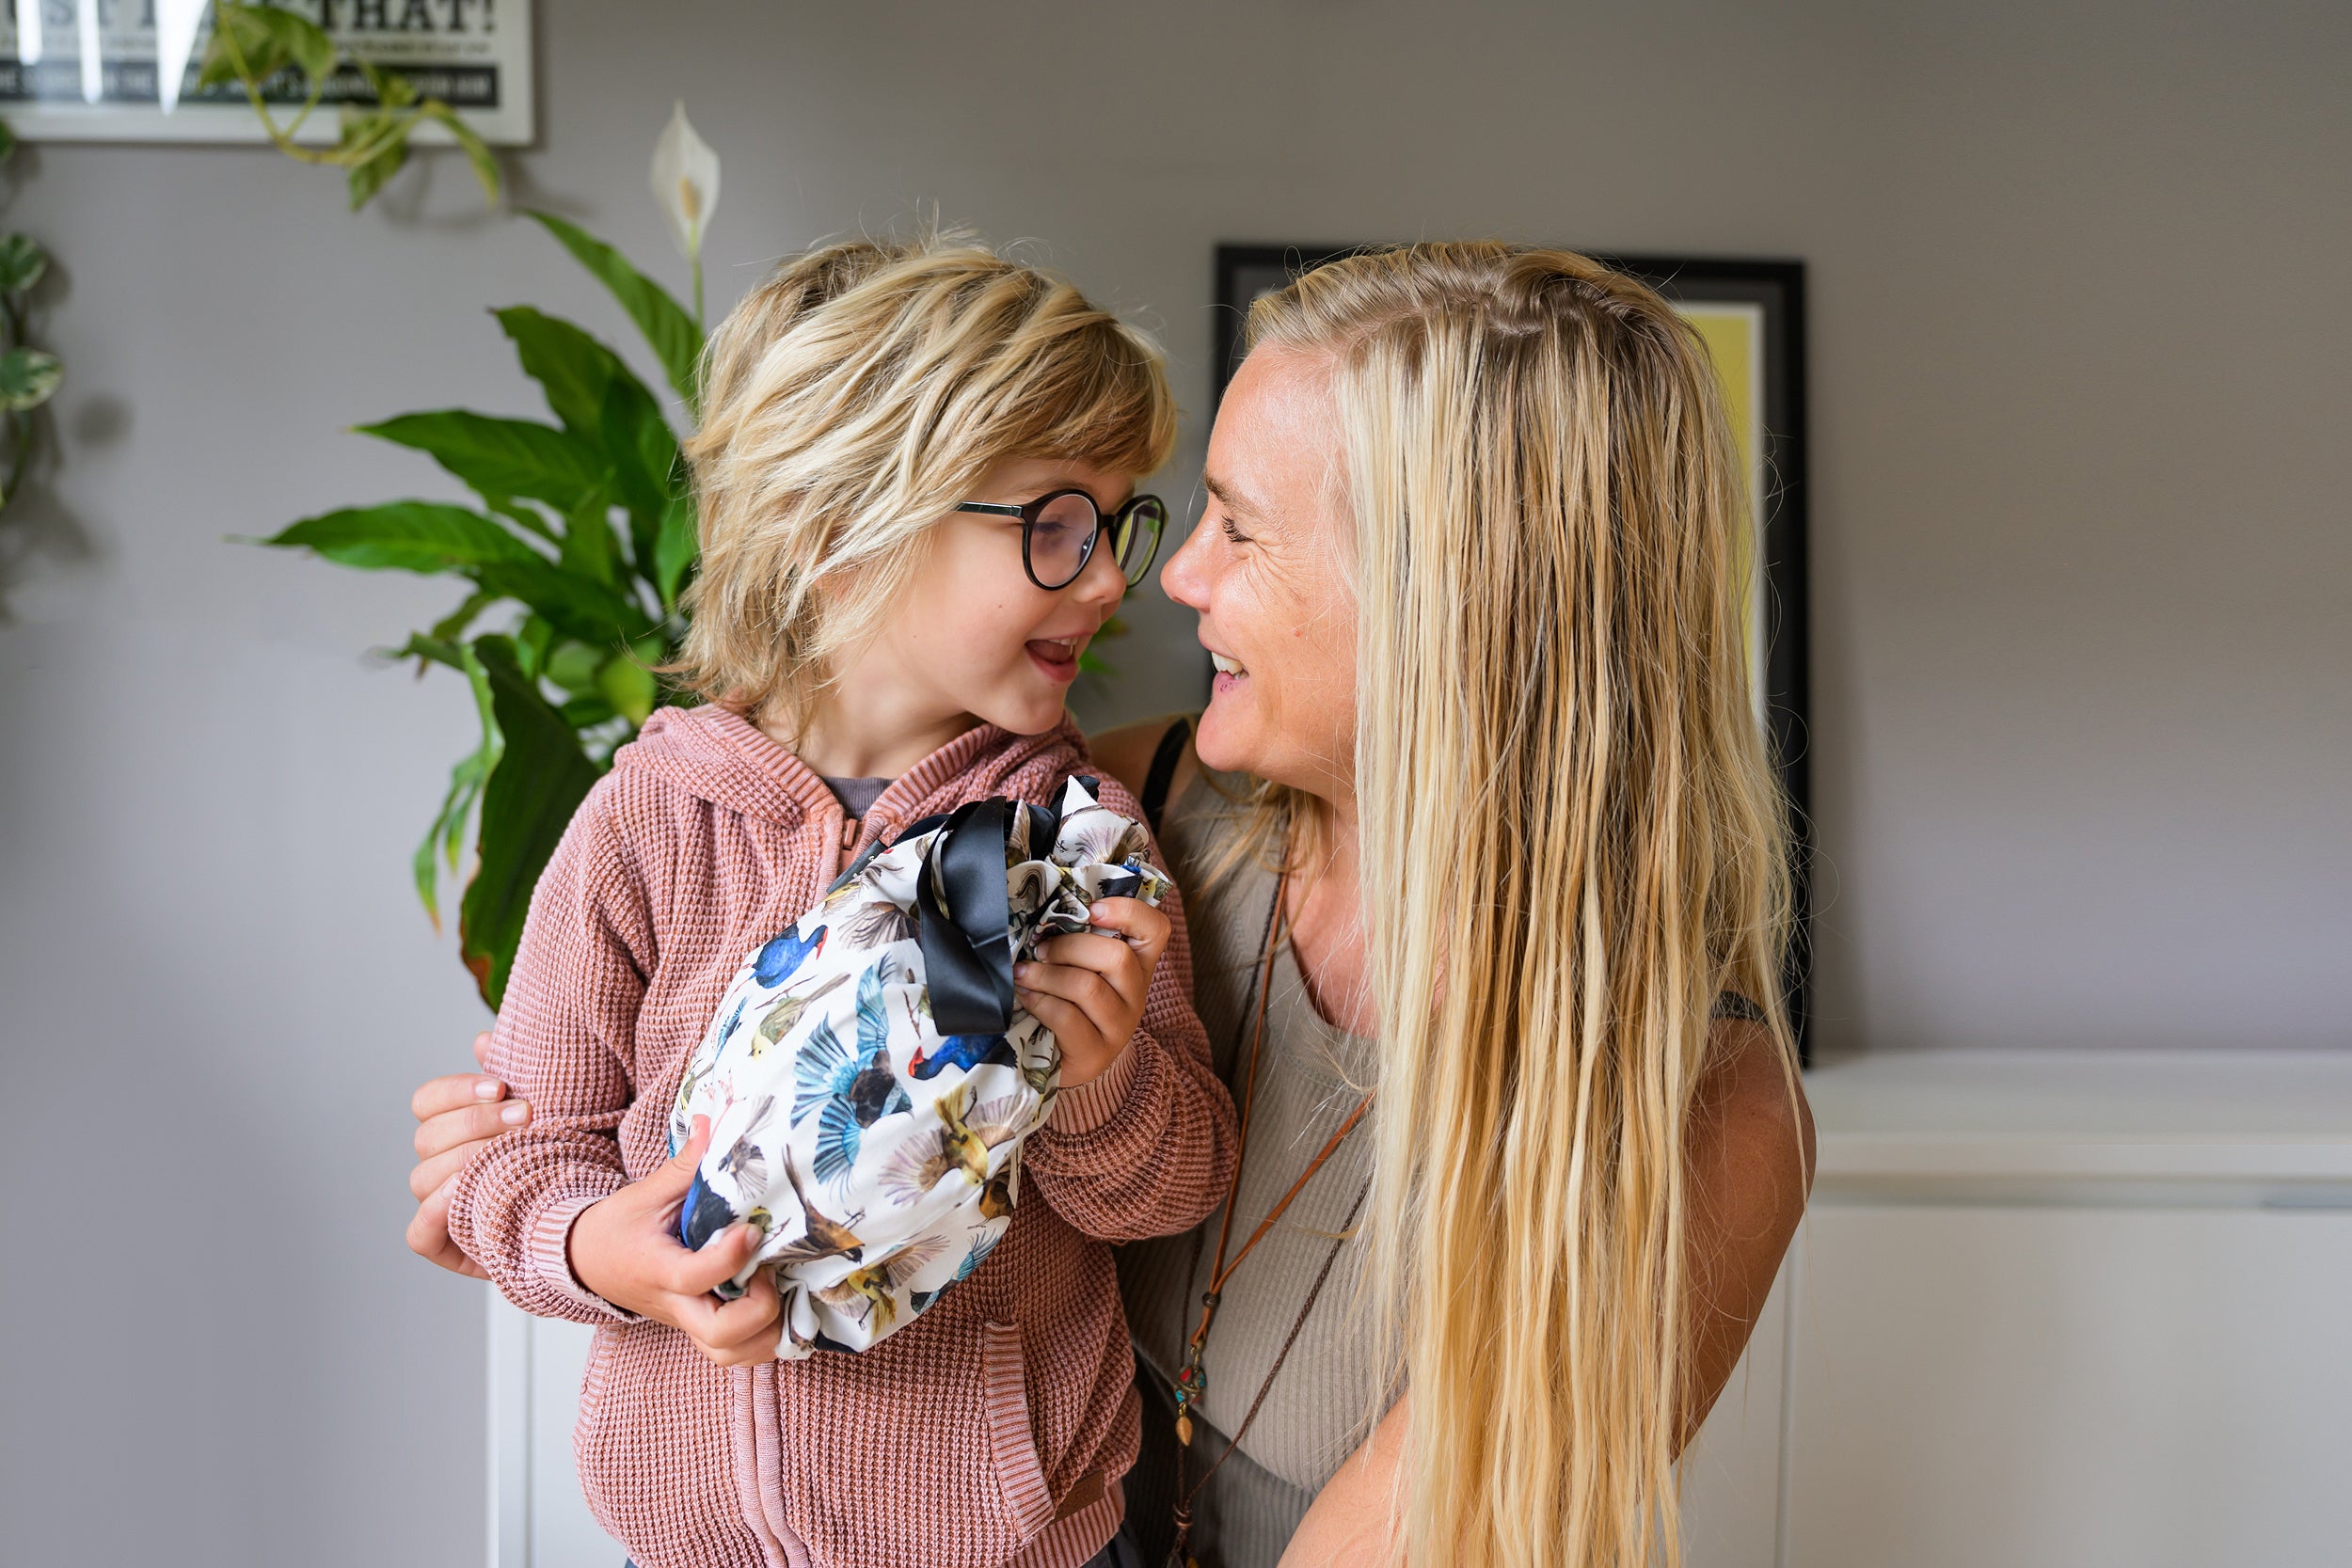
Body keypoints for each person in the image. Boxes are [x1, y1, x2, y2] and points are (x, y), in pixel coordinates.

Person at [413, 241, 1815, 1568]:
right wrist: (544, 1202)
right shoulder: (1119, 804)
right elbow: (546, 1150)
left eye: (1241, 530)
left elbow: (1168, 1184)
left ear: (1454, 599)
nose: (1165, 579)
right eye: (1109, 523)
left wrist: (1085, 1087)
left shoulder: (1692, 1104)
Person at [442, 231, 1237, 1568]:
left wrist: (1099, 1084)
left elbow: (1175, 1187)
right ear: (840, 530)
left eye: (1114, 522)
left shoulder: (1075, 849)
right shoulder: (644, 827)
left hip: (1015, 1545)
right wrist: (599, 1252)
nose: (1109, 578)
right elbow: (517, 1157)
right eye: (1054, 525)